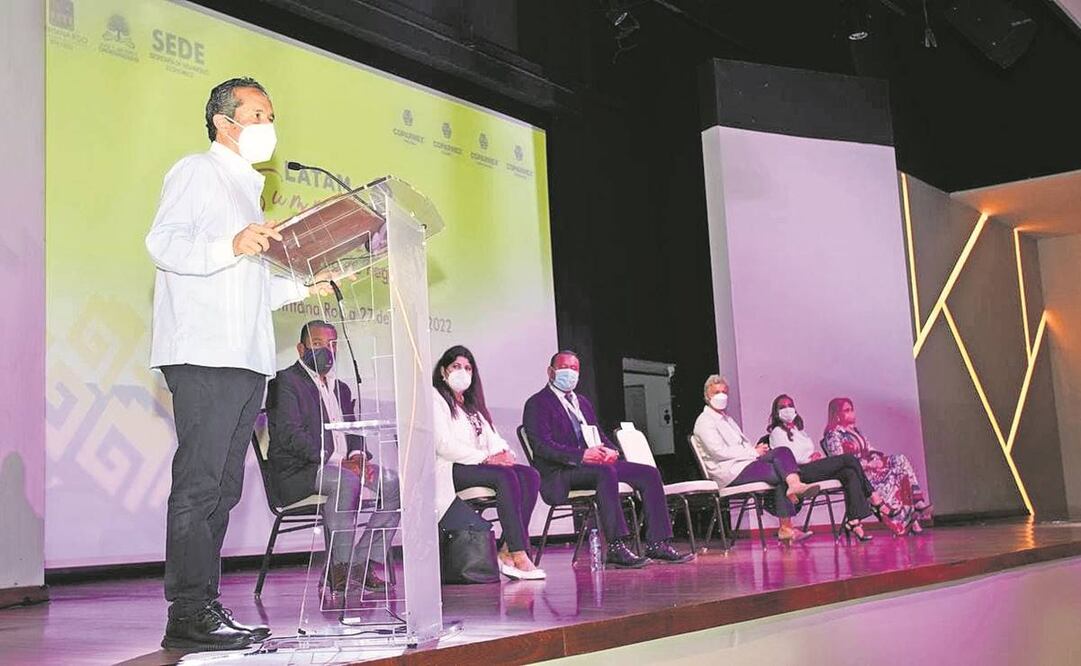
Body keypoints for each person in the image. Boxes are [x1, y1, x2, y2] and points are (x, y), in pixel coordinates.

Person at [146, 77, 330, 651]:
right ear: (226, 121)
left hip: (246, 361)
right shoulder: (197, 172)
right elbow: (163, 244)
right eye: (258, 115)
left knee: (224, 488)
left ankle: (205, 606)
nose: (267, 127)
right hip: (205, 354)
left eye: (270, 115)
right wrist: (229, 246)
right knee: (200, 485)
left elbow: (250, 287)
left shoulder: (247, 193)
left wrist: (306, 282)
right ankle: (187, 611)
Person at [522, 351, 693, 568]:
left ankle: (658, 542)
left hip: (593, 465)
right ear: (551, 371)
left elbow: (598, 434)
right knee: (606, 473)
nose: (571, 373)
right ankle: (616, 546)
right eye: (565, 367)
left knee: (648, 473)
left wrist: (613, 451)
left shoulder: (582, 402)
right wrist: (581, 455)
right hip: (560, 473)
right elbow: (542, 446)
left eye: (575, 369)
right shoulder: (537, 403)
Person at [266, 321, 401, 594]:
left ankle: (362, 563)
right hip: (299, 472)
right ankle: (338, 569)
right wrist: (337, 461)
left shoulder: (342, 389)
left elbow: (352, 431)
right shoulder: (285, 382)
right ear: (301, 348)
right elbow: (290, 436)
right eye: (318, 344)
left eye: (332, 344)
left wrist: (358, 455)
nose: (327, 350)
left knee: (391, 483)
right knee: (346, 481)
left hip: (343, 466)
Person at [432, 345, 545, 580]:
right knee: (505, 477)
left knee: (530, 476)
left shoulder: (472, 406)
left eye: (468, 368)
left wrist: (505, 454)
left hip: (478, 467)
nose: (462, 372)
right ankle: (519, 552)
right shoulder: (436, 398)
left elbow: (494, 439)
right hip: (450, 468)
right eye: (456, 367)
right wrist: (486, 459)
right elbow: (442, 444)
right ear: (443, 371)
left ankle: (506, 550)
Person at [691, 376, 821, 544]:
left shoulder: (727, 419)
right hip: (729, 472)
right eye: (716, 392)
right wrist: (753, 452)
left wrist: (756, 451)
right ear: (707, 396)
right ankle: (788, 519)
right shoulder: (704, 421)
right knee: (782, 472)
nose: (721, 396)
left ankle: (788, 520)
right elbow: (718, 452)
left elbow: (741, 447)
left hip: (744, 464)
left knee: (782, 453)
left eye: (724, 392)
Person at [768, 394, 887, 541]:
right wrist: (808, 459)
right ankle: (874, 498)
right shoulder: (776, 432)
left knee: (849, 473)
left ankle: (854, 521)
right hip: (797, 473)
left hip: (810, 466)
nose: (787, 409)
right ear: (776, 412)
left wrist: (813, 456)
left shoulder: (800, 431)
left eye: (790, 405)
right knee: (849, 459)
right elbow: (786, 456)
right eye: (782, 407)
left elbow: (806, 451)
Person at [823, 397, 933, 535]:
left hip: (871, 469)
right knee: (893, 479)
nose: (852, 413)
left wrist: (876, 459)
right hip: (859, 475)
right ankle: (907, 519)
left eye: (852, 410)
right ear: (837, 414)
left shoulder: (855, 431)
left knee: (899, 460)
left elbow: (870, 449)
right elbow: (839, 461)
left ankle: (917, 504)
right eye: (847, 410)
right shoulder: (833, 434)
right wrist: (869, 465)